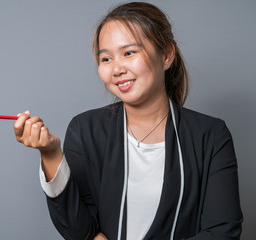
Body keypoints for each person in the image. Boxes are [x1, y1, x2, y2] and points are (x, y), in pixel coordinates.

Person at [13, 2, 243, 240]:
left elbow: (223, 232)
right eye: (106, 59)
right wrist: (51, 154)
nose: (116, 69)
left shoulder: (211, 135)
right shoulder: (85, 130)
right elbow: (80, 231)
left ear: (166, 55)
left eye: (129, 53)